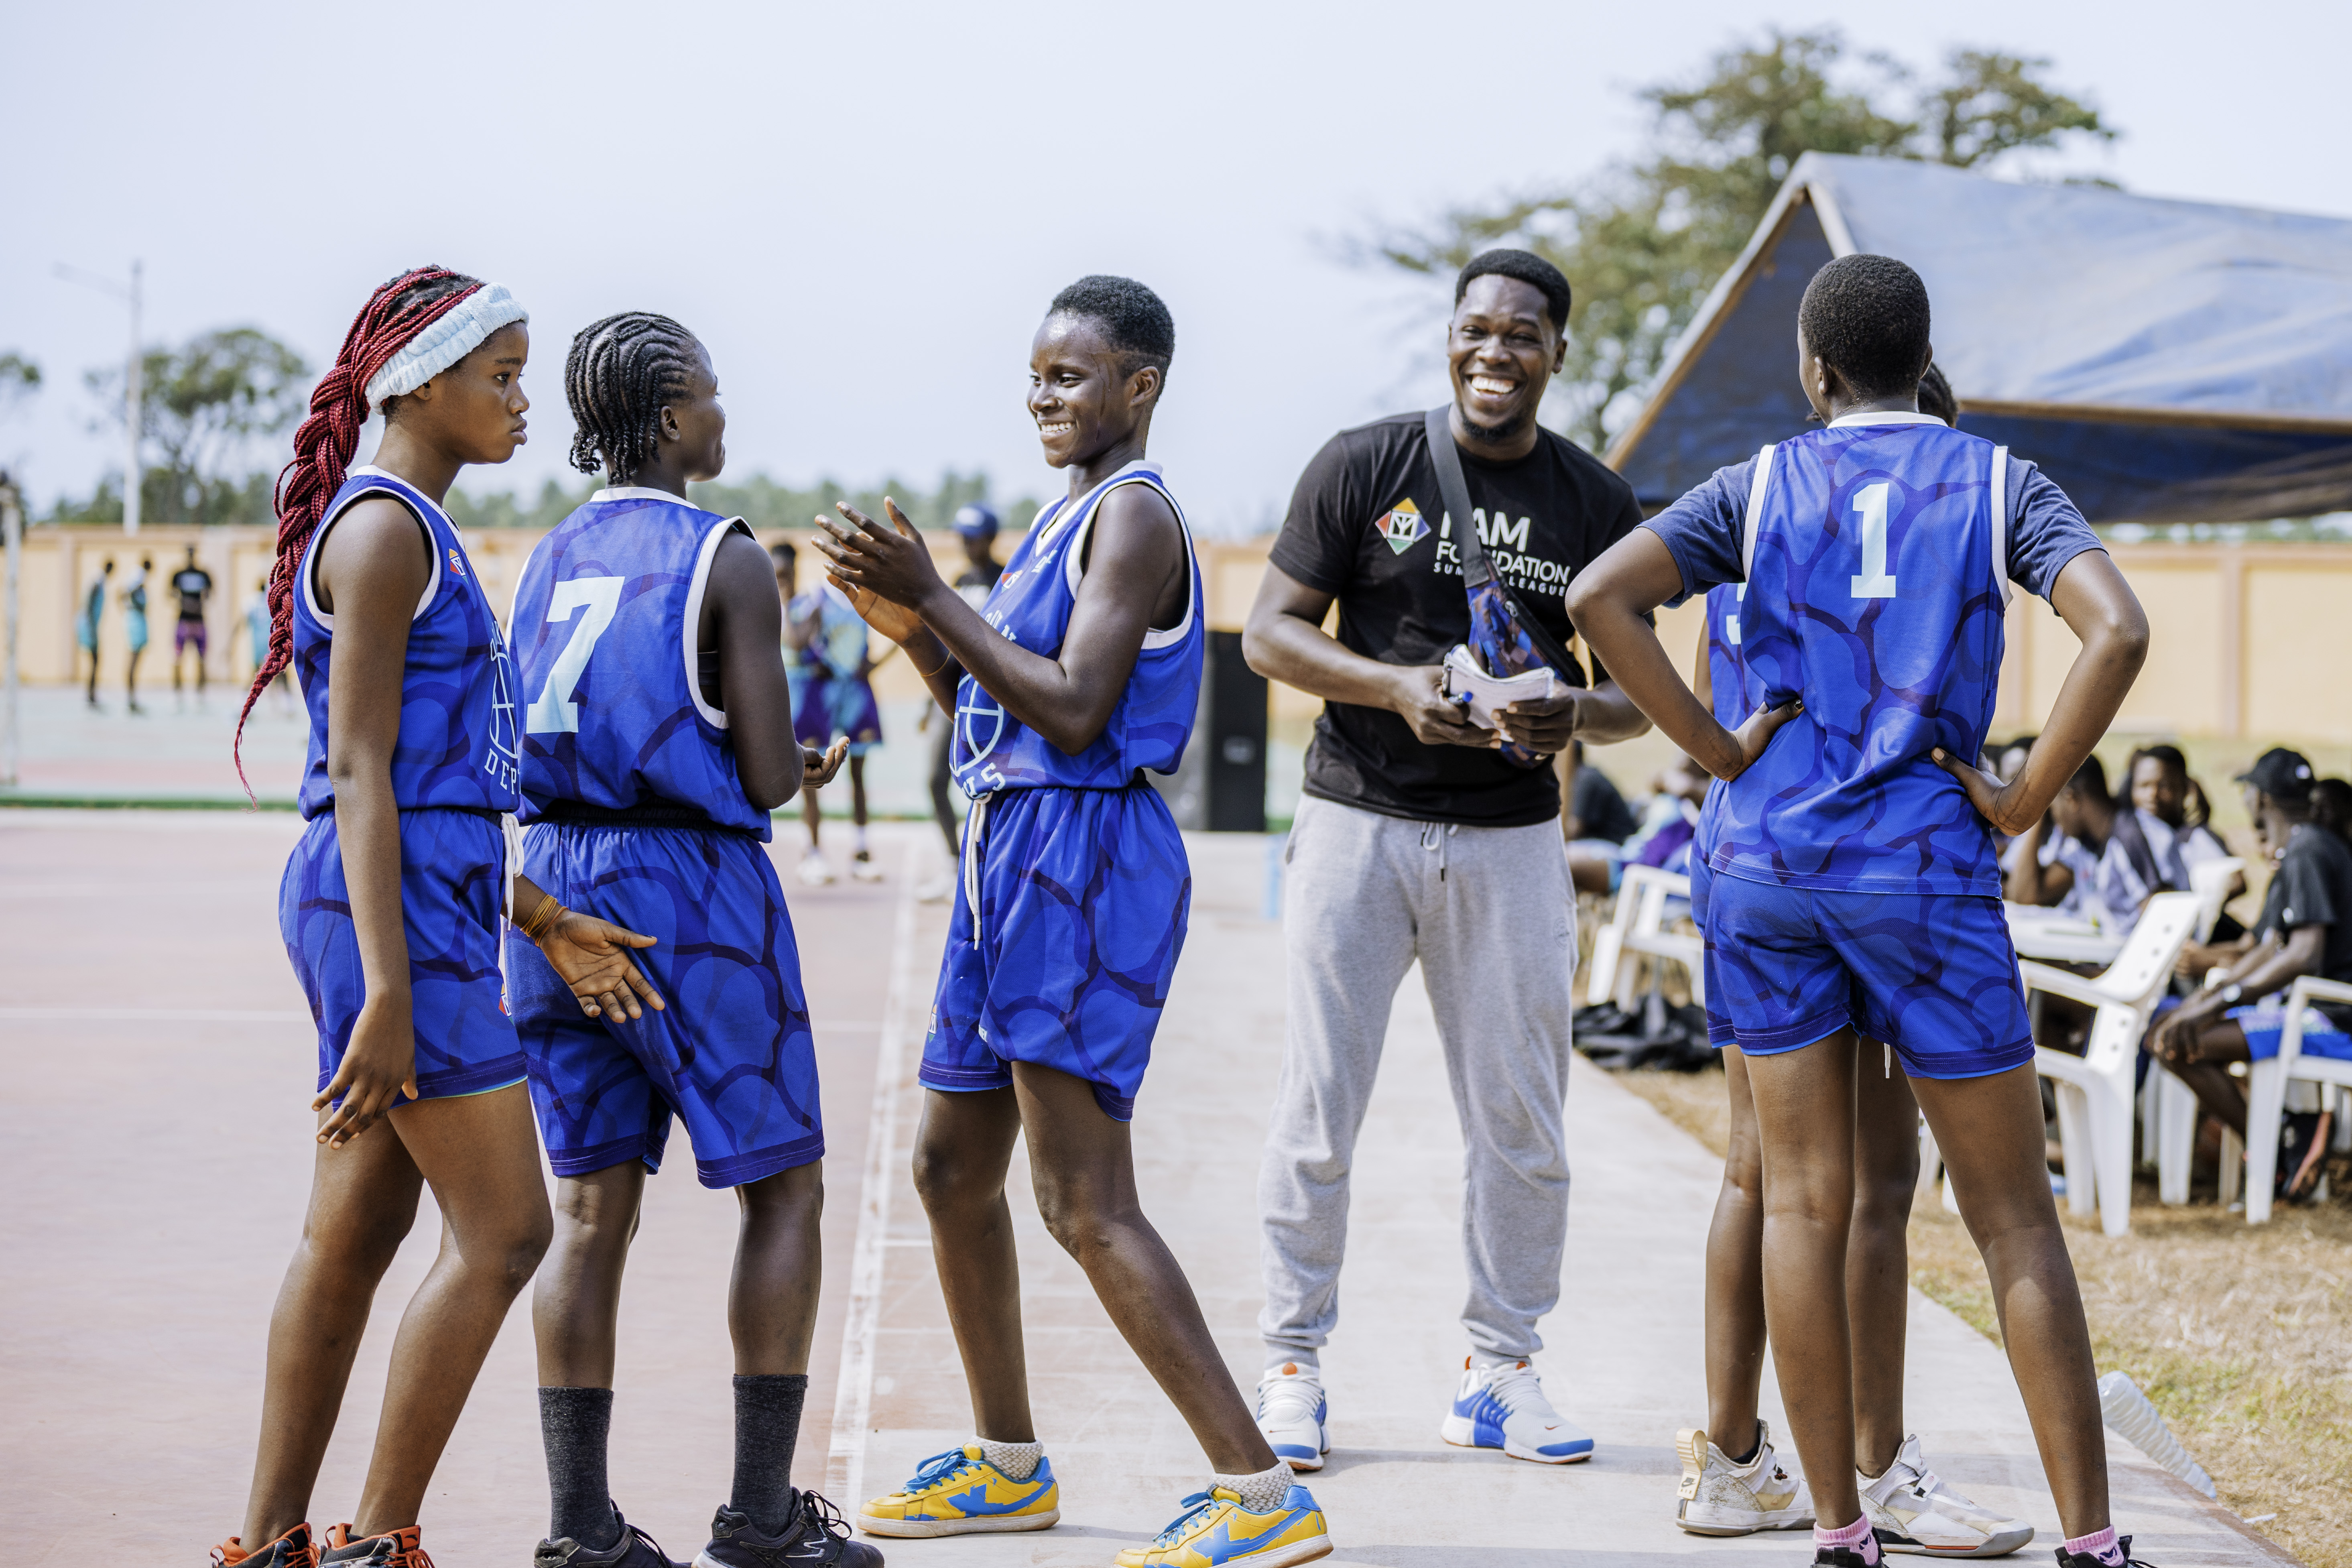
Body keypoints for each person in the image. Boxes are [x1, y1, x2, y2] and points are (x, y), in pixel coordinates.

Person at [1566, 253, 2153, 1568]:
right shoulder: (2002, 482)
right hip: (1926, 870)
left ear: (1815, 369)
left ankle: (1840, 1529)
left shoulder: (1759, 482)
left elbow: (1601, 596)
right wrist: (2021, 801)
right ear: (1920, 357)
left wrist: (1720, 754)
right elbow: (2115, 630)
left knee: (1803, 1200)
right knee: (2010, 1216)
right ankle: (2095, 1542)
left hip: (1768, 866)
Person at [817, 275, 1332, 1568]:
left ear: (1139, 386)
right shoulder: (1062, 523)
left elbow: (1075, 710)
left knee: (1083, 1197)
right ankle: (1007, 1464)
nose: (1044, 395)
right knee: (949, 1169)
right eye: (1037, 375)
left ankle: (1259, 1491)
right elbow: (999, 709)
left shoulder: (1138, 520)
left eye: (1071, 375)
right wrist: (915, 630)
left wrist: (935, 598)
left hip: (1082, 857)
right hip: (1010, 848)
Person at [216, 266, 657, 1568]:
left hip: (413, 898)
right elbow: (357, 771)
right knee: (510, 1227)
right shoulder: (386, 528)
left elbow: (433, 786)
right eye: (503, 375)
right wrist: (390, 988)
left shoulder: (409, 527)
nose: (525, 401)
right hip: (382, 915)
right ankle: (376, 1535)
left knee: (352, 1232)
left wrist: (538, 914)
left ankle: (267, 1540)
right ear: (420, 380)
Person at [1242, 248, 1651, 1470]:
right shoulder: (1368, 463)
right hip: (1357, 822)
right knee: (1320, 1110)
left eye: (1522, 335)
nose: (1495, 353)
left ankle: (1500, 1367)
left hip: (1514, 843)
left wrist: (1565, 715)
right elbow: (1268, 633)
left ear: (1558, 354)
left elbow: (1637, 699)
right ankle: (1290, 1365)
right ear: (1451, 337)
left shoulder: (1595, 502)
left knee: (1524, 1122)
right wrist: (1395, 689)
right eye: (1476, 330)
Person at [508, 311, 868, 1568]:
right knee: (785, 1189)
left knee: (588, 1214)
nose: (724, 418)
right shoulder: (726, 557)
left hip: (550, 884)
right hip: (692, 891)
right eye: (710, 399)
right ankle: (763, 1517)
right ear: (670, 419)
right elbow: (765, 775)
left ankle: (579, 1526)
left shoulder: (545, 556)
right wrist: (800, 760)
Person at [1673, 552, 2032, 1558]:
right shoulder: (1897, 537)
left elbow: (1710, 710)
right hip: (1862, 859)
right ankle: (1877, 1470)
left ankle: (1733, 1463)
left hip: (1738, 855)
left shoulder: (1743, 542)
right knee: (1873, 1178)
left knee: (1759, 1171)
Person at [2149, 748, 2352, 1200]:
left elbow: (2302, 954)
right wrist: (2201, 1003)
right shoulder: (2304, 845)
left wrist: (2218, 1001)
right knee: (2172, 1033)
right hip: (2315, 1011)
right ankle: (2284, 1137)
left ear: (2259, 800)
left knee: (2180, 1045)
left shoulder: (2308, 849)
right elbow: (2265, 946)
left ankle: (2280, 1143)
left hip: (2332, 1019)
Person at [775, 541, 887, 885]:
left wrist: (872, 664)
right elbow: (799, 642)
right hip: (816, 694)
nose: (845, 561)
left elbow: (871, 648)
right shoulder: (814, 601)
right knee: (810, 774)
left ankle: (862, 850)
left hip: (854, 694)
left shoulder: (865, 601)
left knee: (858, 774)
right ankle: (812, 852)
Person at [917, 502, 1006, 900]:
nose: (967, 544)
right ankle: (954, 863)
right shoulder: (958, 580)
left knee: (993, 786)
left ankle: (991, 869)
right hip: (953, 694)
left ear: (989, 537)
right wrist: (927, 702)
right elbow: (944, 644)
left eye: (973, 537)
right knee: (936, 781)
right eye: (962, 537)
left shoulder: (1006, 579)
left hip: (993, 701)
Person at [170, 543, 215, 706]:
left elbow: (211, 592)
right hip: (183, 621)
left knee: (202, 659)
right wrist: (183, 602)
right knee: (177, 659)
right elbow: (169, 593)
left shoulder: (203, 574)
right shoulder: (178, 574)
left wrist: (200, 602)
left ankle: (200, 695)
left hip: (199, 621)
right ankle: (178, 695)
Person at [244, 574, 296, 716]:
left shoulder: (251, 602)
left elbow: (243, 623)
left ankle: (245, 704)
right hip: (270, 643)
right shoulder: (271, 601)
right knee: (280, 674)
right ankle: (288, 705)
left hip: (262, 643)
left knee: (258, 675)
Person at [77, 558, 111, 709]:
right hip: (89, 626)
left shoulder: (99, 580)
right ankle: (90, 695)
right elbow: (89, 603)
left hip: (90, 625)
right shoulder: (98, 581)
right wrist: (92, 628)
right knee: (95, 660)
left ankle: (91, 694)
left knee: (95, 661)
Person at [120, 553, 151, 713]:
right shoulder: (139, 575)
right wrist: (136, 607)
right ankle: (130, 699)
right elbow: (126, 593)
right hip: (135, 621)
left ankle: (132, 698)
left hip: (135, 619)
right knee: (133, 660)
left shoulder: (137, 575)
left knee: (134, 660)